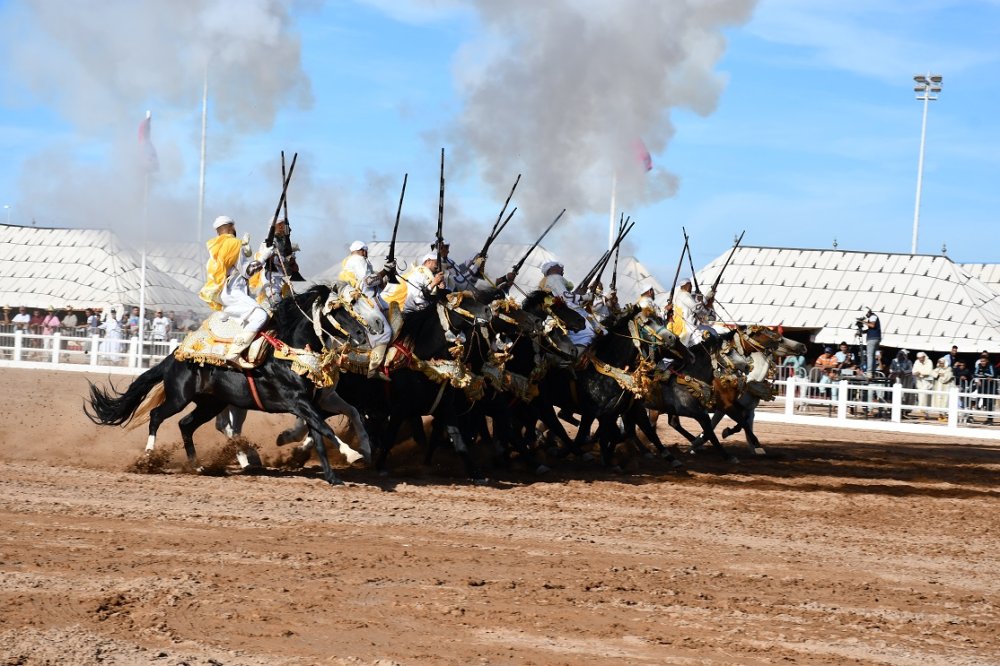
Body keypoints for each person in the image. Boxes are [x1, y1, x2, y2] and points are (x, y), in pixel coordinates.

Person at [197, 215, 273, 362]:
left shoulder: (217, 247)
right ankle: (234, 353)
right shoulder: (235, 244)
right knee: (261, 316)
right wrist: (263, 257)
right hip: (234, 293)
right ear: (232, 227)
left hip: (225, 293)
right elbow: (248, 272)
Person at [339, 240, 393, 378]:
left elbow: (374, 283)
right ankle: (374, 369)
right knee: (384, 332)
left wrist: (387, 274)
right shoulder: (358, 259)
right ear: (363, 250)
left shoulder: (357, 261)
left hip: (373, 299)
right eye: (365, 250)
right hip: (364, 301)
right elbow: (368, 281)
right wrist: (385, 271)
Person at [538, 260, 603, 351]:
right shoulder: (555, 278)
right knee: (589, 333)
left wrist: (579, 295)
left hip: (561, 313)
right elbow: (565, 296)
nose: (563, 270)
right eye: (561, 268)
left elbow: (565, 297)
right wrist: (585, 297)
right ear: (553, 268)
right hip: (568, 312)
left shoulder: (546, 281)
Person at [666, 277, 711, 347]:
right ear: (687, 285)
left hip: (690, 324)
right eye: (690, 286)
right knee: (705, 338)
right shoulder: (684, 296)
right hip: (688, 326)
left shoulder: (681, 294)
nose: (691, 288)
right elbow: (696, 308)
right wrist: (700, 301)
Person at [859, 306, 881, 378]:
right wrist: (862, 331)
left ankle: (869, 372)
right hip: (875, 337)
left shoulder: (873, 317)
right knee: (872, 355)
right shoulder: (872, 317)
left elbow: (872, 325)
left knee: (870, 355)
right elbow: (871, 329)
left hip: (873, 338)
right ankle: (873, 372)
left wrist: (863, 322)